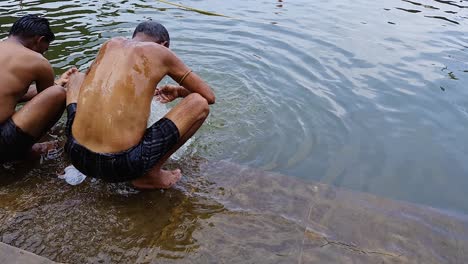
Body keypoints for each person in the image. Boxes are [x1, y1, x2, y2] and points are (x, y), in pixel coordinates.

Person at [65, 20, 215, 189]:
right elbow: (208, 96)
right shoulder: (160, 52)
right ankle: (151, 175)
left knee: (76, 77)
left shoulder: (110, 44)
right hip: (120, 164)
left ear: (135, 37)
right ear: (164, 45)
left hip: (75, 152)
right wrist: (179, 92)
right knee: (199, 104)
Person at [0, 14, 76, 163]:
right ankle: (28, 149)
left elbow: (11, 94)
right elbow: (48, 101)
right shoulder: (38, 61)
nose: (43, 53)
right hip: (2, 144)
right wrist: (61, 88)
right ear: (39, 40)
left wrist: (57, 82)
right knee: (59, 94)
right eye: (44, 50)